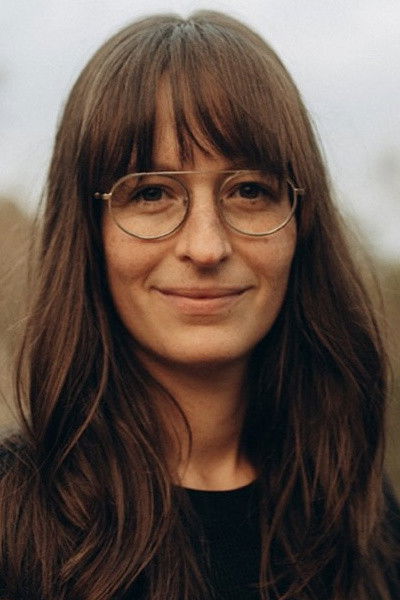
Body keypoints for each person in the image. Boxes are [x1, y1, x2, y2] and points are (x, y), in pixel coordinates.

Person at [0, 10, 399, 600]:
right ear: (88, 231)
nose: (207, 247)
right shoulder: (11, 526)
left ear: (301, 224)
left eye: (249, 191)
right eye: (151, 193)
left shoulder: (364, 523)